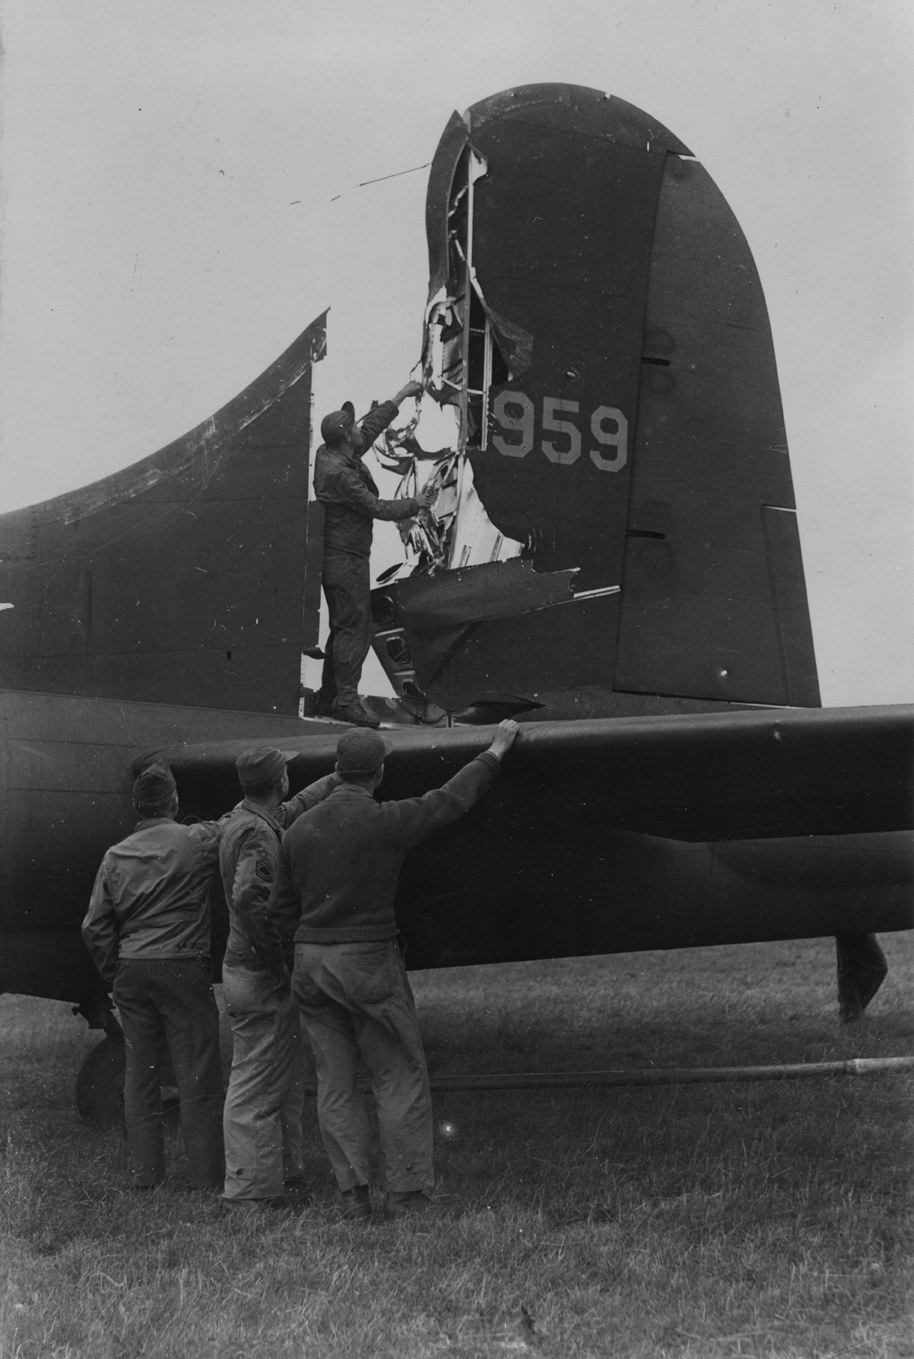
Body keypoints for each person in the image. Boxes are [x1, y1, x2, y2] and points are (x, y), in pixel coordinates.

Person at [268, 719, 520, 1221]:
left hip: (309, 964)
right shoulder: (386, 821)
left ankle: (353, 1198)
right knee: (398, 1075)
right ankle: (405, 1197)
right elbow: (450, 799)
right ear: (378, 774)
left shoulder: (295, 830)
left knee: (335, 1083)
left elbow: (279, 913)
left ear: (338, 771)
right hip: (368, 963)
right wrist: (496, 749)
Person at [82, 761, 228, 1191]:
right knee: (198, 1073)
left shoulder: (115, 855)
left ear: (136, 807)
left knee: (140, 1075)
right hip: (182, 967)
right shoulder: (197, 840)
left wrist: (116, 971)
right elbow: (241, 817)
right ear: (175, 802)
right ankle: (206, 1179)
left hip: (132, 972)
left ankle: (146, 1178)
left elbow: (94, 926)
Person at [219, 745, 339, 1213]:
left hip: (247, 966)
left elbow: (297, 806)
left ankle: (283, 1176)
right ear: (279, 780)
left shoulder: (250, 818)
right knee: (253, 1083)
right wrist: (279, 967)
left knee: (281, 1078)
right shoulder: (256, 835)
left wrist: (337, 777)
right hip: (259, 970)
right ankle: (248, 1191)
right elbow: (251, 899)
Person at [313, 381, 437, 727]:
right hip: (345, 560)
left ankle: (328, 699)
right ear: (343, 438)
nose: (358, 429)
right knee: (357, 630)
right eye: (352, 427)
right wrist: (418, 503)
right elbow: (377, 508)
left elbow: (369, 429)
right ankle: (346, 703)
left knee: (344, 629)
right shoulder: (340, 475)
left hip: (341, 556)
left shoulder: (332, 453)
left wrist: (399, 397)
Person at [834, 933, 888, 1023]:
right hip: (852, 923)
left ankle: (850, 1013)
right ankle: (851, 1013)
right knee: (878, 966)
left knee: (848, 965)